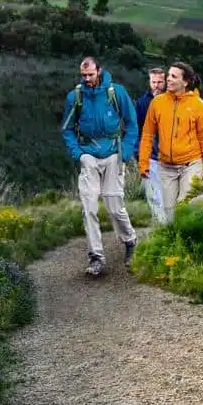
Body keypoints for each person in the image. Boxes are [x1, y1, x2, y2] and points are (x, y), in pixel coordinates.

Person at [61, 56, 140, 277]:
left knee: (114, 205)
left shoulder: (116, 93)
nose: (87, 79)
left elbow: (132, 124)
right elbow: (67, 130)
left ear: (99, 71)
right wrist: (79, 154)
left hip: (114, 155)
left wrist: (125, 151)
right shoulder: (75, 97)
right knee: (89, 208)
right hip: (89, 157)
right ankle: (96, 257)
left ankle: (130, 240)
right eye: (83, 75)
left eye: (91, 75)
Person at [138, 61, 203, 222]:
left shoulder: (198, 105)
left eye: (173, 76)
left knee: (184, 207)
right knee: (169, 213)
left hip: (191, 165)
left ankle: (190, 244)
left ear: (185, 82)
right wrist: (143, 163)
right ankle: (175, 243)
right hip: (165, 167)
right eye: (168, 75)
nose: (168, 79)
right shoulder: (157, 103)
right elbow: (147, 135)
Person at [133, 66, 169, 223]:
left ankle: (170, 224)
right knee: (154, 194)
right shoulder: (141, 103)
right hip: (151, 155)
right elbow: (135, 128)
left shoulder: (174, 100)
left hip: (171, 155)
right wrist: (137, 152)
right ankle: (162, 227)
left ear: (165, 81)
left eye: (160, 82)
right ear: (149, 82)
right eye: (154, 82)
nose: (157, 85)